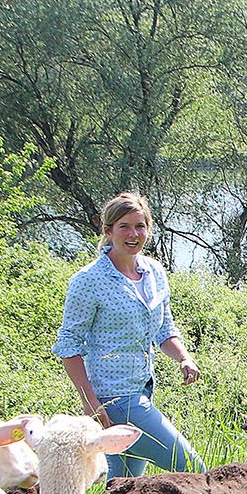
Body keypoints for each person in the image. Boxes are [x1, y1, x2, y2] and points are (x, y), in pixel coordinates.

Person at [53, 190, 206, 478]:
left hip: (144, 390)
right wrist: (91, 403)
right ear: (108, 231)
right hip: (116, 399)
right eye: (124, 226)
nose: (133, 234)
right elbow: (69, 346)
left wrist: (184, 358)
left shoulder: (154, 272)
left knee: (123, 489)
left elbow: (164, 329)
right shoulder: (89, 280)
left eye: (140, 226)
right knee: (191, 467)